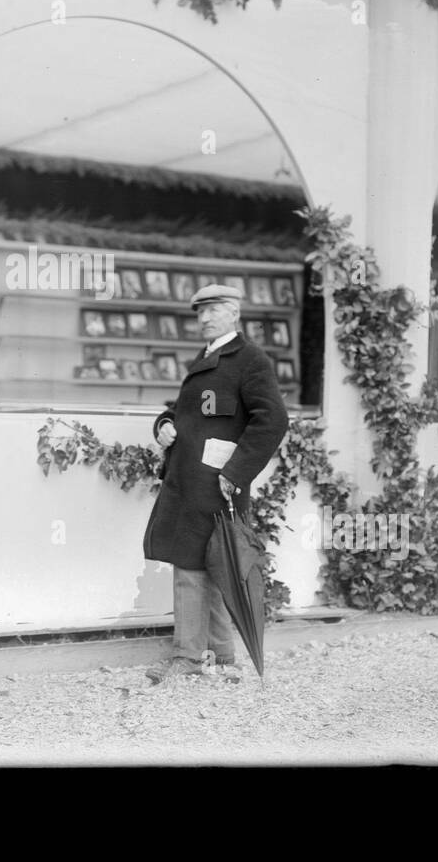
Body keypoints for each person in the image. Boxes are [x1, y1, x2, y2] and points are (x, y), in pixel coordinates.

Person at [142, 283, 288, 683]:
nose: (204, 317)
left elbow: (272, 421)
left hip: (218, 484)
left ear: (235, 313)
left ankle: (189, 658)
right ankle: (222, 658)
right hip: (190, 480)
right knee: (209, 566)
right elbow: (190, 415)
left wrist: (235, 473)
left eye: (214, 309)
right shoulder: (208, 358)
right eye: (199, 311)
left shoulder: (249, 359)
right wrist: (166, 425)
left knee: (195, 567)